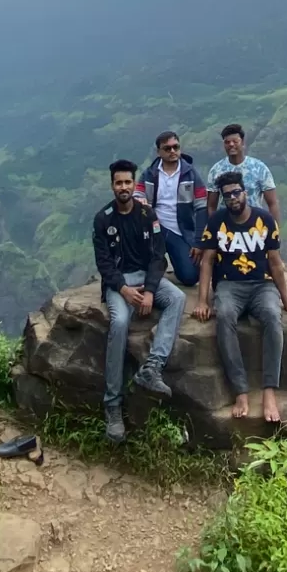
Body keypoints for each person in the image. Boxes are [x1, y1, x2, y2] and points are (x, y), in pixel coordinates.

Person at [192, 168, 287, 424]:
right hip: (229, 286)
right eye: (227, 195)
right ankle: (241, 391)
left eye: (236, 192)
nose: (233, 198)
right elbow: (208, 262)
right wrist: (203, 300)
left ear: (245, 192)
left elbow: (275, 264)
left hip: (261, 285)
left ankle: (269, 391)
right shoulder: (217, 222)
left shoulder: (264, 220)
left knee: (271, 316)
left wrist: (286, 301)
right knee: (224, 317)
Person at [93, 159, 185, 443]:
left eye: (128, 182)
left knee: (177, 298)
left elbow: (159, 257)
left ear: (135, 185)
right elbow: (104, 263)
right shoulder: (103, 218)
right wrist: (122, 289)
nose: (123, 187)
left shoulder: (147, 214)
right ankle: (113, 405)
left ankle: (152, 367)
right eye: (118, 183)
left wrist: (149, 291)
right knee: (119, 321)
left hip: (146, 278)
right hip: (119, 282)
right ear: (112, 185)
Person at [135, 129, 209, 287]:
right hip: (155, 227)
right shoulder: (150, 174)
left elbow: (202, 207)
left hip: (181, 231)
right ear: (159, 152)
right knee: (140, 271)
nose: (173, 151)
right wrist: (141, 203)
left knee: (190, 277)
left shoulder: (191, 175)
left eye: (176, 147)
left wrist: (198, 242)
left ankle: (170, 262)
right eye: (167, 148)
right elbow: (137, 195)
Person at [206, 124, 281, 230]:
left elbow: (272, 203)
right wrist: (214, 229)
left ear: (243, 142)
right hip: (227, 228)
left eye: (235, 141)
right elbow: (211, 206)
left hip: (255, 227)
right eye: (227, 142)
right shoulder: (216, 170)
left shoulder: (259, 168)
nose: (231, 145)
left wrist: (274, 232)